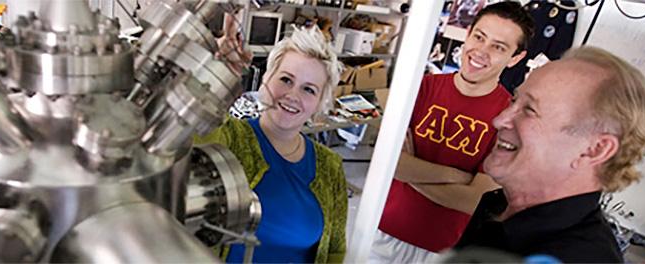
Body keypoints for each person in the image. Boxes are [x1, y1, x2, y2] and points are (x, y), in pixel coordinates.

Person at [455, 46, 645, 262]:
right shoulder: (498, 205)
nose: (499, 119)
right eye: (514, 101)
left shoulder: (575, 258)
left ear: (594, 150)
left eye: (529, 110)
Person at [371, 2, 534, 263]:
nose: (481, 51)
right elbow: (388, 163)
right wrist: (456, 176)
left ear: (515, 58)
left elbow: (474, 201)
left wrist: (410, 169)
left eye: (498, 47)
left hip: (445, 252)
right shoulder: (419, 88)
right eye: (479, 37)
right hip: (381, 234)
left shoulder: (509, 119)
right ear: (467, 34)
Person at [195, 25, 347, 263]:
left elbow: (335, 250)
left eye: (309, 89)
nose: (293, 95)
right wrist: (213, 73)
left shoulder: (330, 167)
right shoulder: (230, 137)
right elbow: (191, 133)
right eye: (286, 79)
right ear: (265, 79)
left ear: (319, 103)